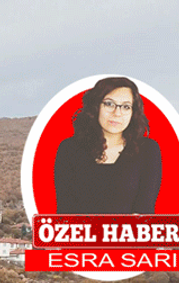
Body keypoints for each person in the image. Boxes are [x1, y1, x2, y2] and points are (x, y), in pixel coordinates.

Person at [53, 76, 161, 214]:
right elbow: (64, 212)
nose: (117, 113)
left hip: (131, 235)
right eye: (109, 104)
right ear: (95, 106)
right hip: (79, 235)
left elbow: (145, 213)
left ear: (133, 112)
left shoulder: (148, 150)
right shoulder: (69, 149)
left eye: (126, 107)